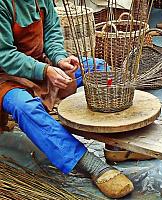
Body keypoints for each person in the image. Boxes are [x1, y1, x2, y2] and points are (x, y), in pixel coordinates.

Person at [0, 0, 134, 198]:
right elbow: (4, 55)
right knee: (24, 107)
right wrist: (45, 71)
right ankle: (91, 165)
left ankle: (120, 143)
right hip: (6, 77)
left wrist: (60, 59)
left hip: (41, 67)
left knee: (100, 68)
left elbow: (53, 33)